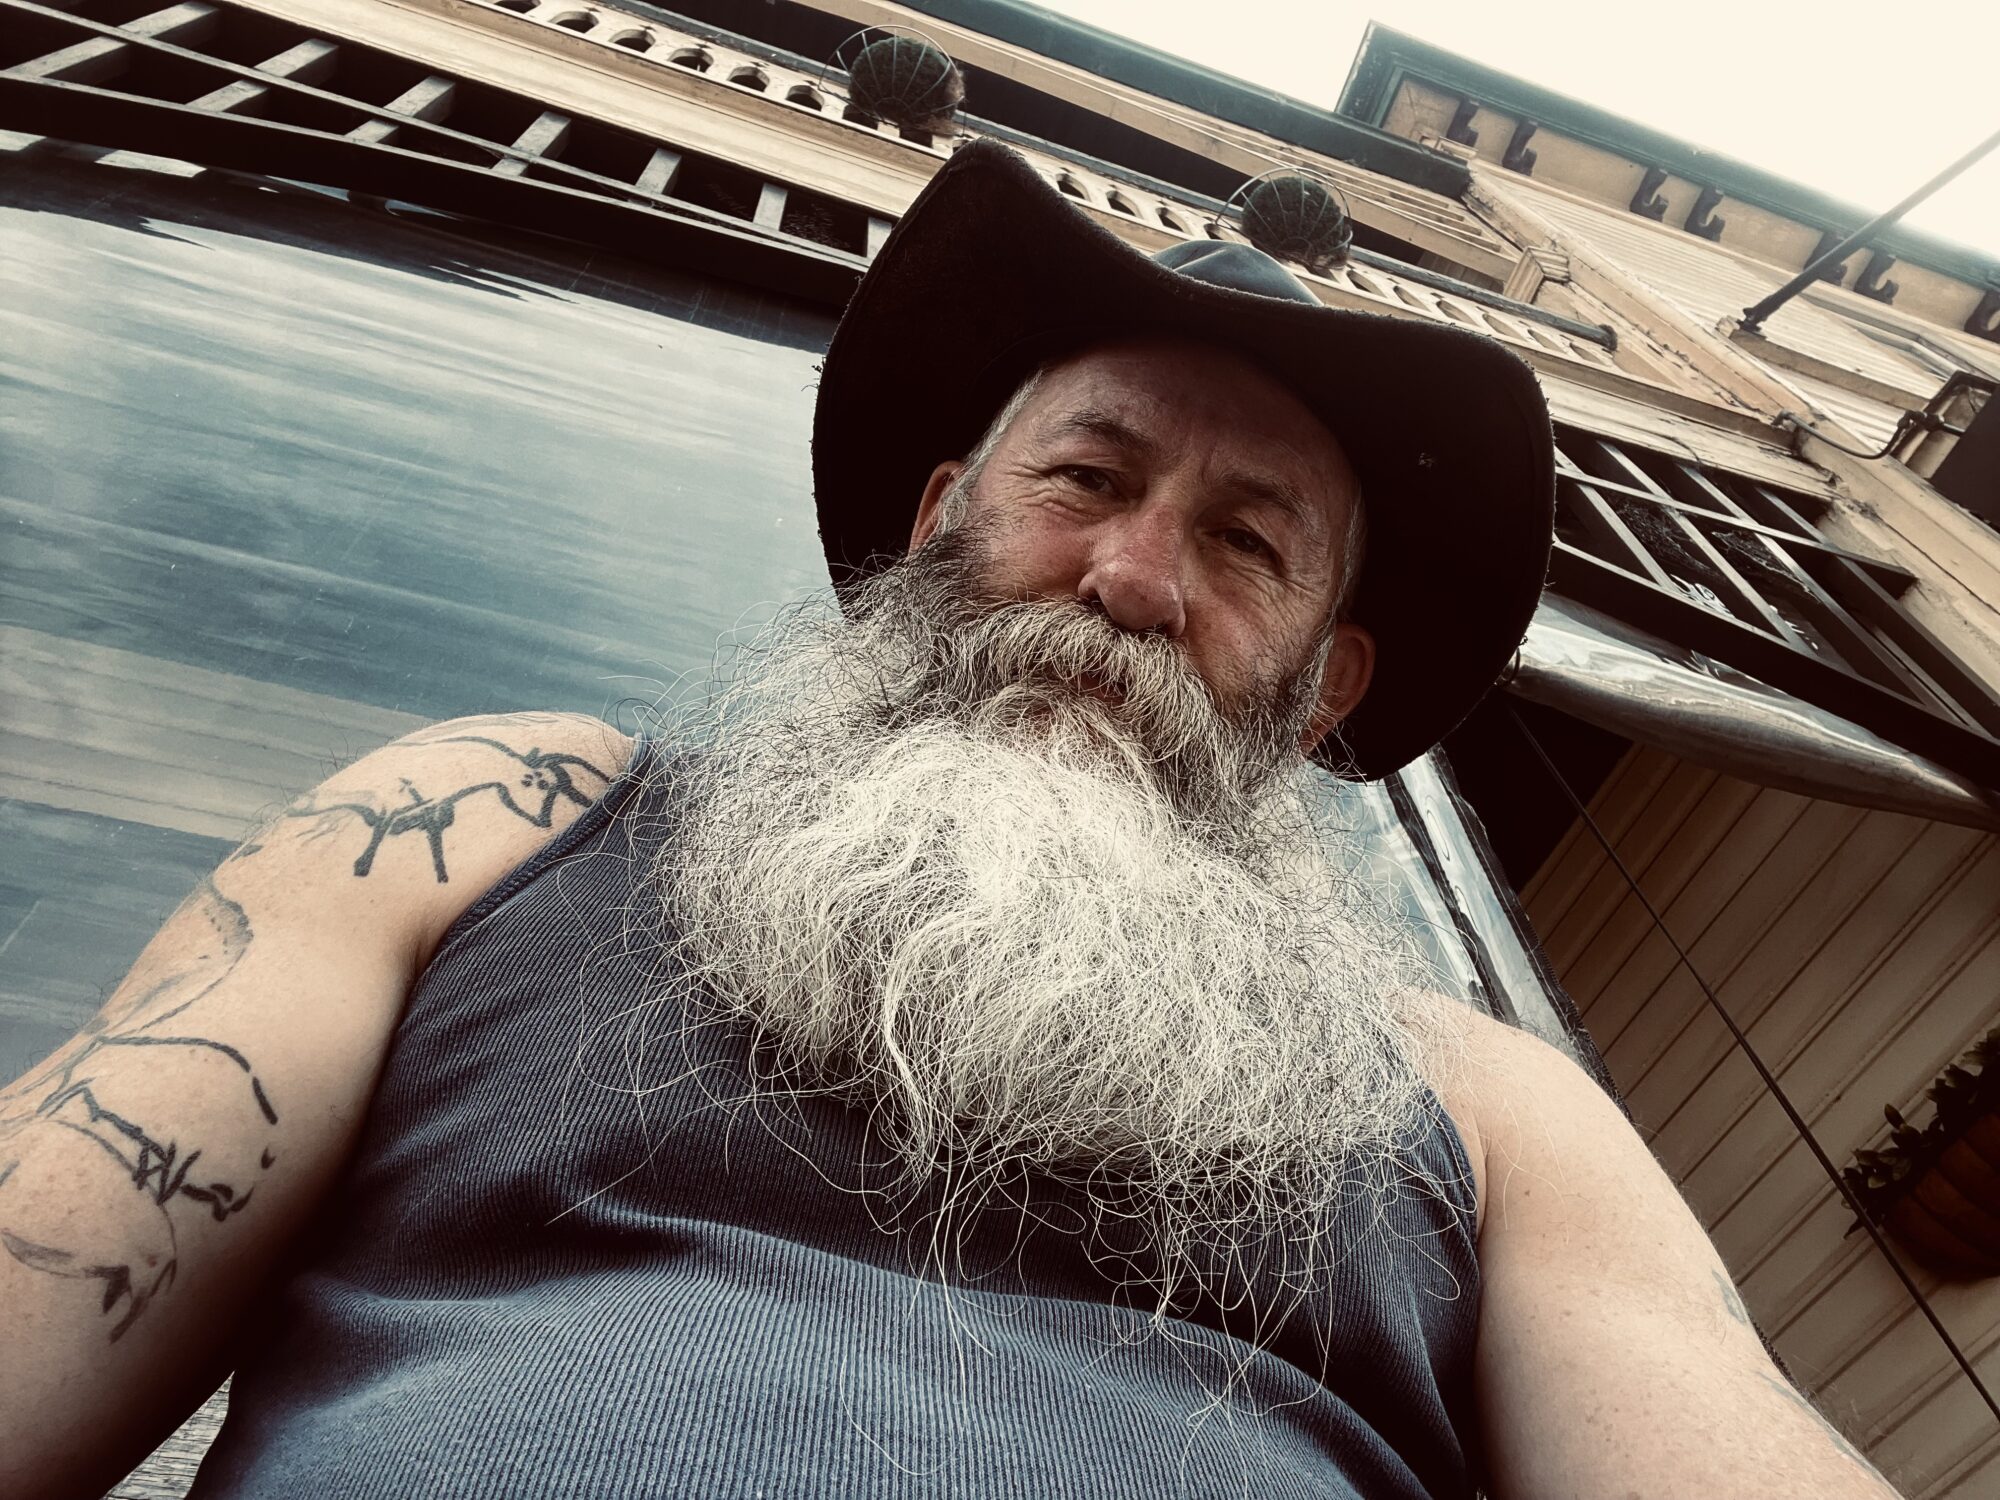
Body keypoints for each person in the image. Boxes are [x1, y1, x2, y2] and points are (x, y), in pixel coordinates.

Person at [2, 142, 1901, 1500]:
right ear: (935, 522)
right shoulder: (503, 819)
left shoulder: (1479, 1107)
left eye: (1247, 546)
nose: (1134, 582)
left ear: (1322, 691)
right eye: (1085, 477)